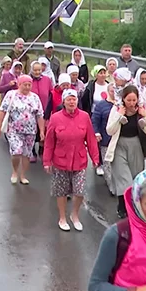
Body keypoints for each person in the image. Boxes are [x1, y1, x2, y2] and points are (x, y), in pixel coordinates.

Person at [42, 89, 100, 232]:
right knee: (61, 192)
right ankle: (62, 217)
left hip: (79, 161)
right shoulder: (55, 118)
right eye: (69, 99)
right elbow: (49, 142)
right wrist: (47, 161)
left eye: (74, 99)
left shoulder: (85, 117)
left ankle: (75, 215)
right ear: (64, 102)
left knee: (79, 191)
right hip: (60, 161)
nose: (72, 102)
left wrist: (95, 158)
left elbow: (91, 139)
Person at [106, 86, 146, 218]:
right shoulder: (116, 109)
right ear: (123, 99)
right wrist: (119, 116)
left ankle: (132, 206)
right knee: (124, 179)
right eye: (129, 100)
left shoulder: (141, 111)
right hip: (119, 146)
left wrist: (145, 119)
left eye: (134, 100)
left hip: (136, 146)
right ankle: (123, 207)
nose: (132, 103)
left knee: (135, 179)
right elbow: (109, 130)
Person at [0, 75, 45, 184]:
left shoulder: (35, 98)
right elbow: (2, 111)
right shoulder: (11, 95)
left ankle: (23, 175)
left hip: (30, 131)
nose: (27, 87)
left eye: (29, 85)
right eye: (24, 85)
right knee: (17, 151)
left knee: (27, 154)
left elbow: (40, 115)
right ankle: (15, 171)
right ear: (19, 84)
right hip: (14, 130)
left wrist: (41, 131)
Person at [29, 61, 53, 160]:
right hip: (31, 111)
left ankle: (42, 150)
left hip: (44, 109)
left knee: (44, 131)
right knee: (32, 130)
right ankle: (32, 151)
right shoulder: (28, 79)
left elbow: (51, 93)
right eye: (35, 70)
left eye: (39, 70)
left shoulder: (47, 80)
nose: (37, 72)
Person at [92, 89, 115, 186]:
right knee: (107, 163)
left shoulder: (121, 105)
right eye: (111, 91)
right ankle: (111, 185)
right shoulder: (101, 105)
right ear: (108, 91)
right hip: (105, 139)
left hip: (117, 140)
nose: (114, 92)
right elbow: (95, 120)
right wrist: (96, 132)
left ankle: (116, 183)